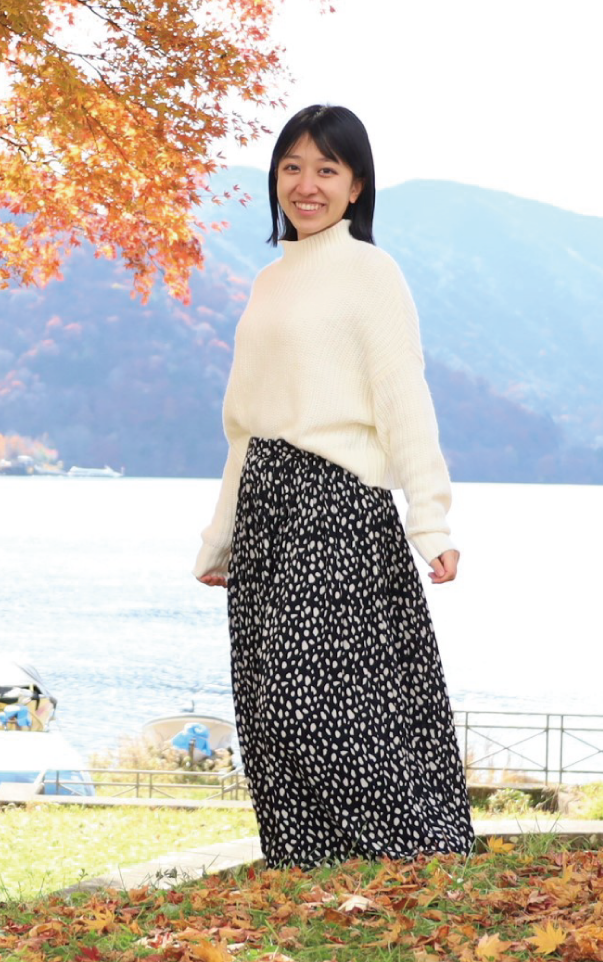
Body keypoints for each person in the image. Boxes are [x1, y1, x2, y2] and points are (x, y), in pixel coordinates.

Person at [194, 104, 474, 869]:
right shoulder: (268, 282)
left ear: (356, 186)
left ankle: (408, 849)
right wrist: (219, 535)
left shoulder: (369, 271)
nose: (306, 184)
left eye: (327, 169)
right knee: (262, 693)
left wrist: (433, 523)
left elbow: (402, 397)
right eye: (292, 166)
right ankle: (308, 861)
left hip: (337, 497)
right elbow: (243, 425)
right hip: (265, 501)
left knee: (308, 692)